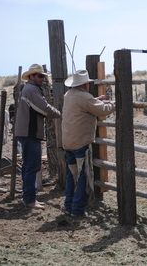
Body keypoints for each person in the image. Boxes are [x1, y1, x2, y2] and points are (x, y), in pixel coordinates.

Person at [62, 69, 115, 217]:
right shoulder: (84, 97)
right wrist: (114, 104)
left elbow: (87, 104)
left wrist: (97, 99)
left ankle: (68, 205)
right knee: (82, 176)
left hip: (68, 142)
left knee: (72, 175)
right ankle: (77, 210)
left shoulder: (69, 95)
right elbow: (101, 110)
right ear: (85, 84)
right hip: (80, 143)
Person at [15, 64, 61, 209]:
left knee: (28, 166)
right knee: (32, 166)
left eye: (43, 76)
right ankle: (30, 200)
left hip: (27, 132)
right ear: (32, 76)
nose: (42, 79)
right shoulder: (31, 90)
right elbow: (45, 108)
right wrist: (61, 114)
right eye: (40, 76)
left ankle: (28, 197)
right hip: (30, 133)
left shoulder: (28, 89)